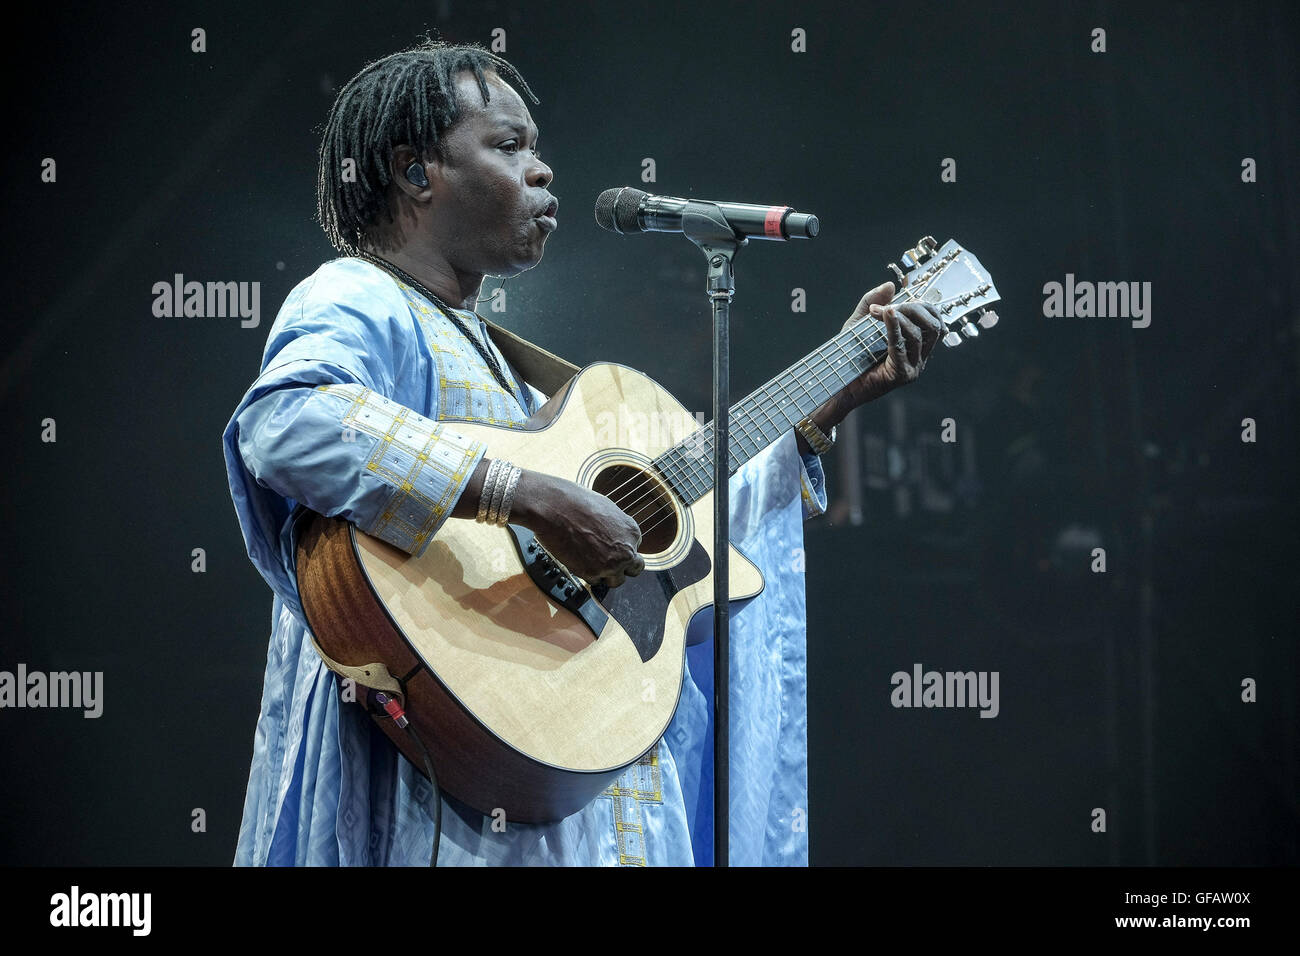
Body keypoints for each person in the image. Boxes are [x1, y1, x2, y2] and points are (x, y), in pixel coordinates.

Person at [222, 39, 941, 866]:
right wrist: (524, 494)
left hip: (567, 773)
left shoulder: (515, 381)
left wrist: (830, 399)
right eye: (507, 145)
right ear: (415, 173)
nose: (542, 170)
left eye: (536, 146)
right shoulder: (357, 293)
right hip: (443, 775)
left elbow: (683, 546)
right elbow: (291, 420)